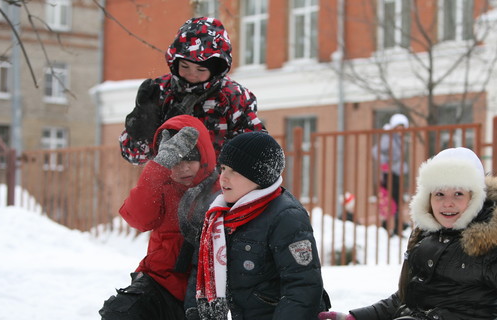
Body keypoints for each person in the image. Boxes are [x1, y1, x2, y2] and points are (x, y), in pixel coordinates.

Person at [320, 147, 497, 320]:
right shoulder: (427, 239)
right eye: (439, 194)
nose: (447, 203)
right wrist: (356, 317)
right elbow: (406, 299)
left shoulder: (489, 246)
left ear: (476, 197)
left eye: (458, 194)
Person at [185, 131, 327, 320]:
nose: (223, 177)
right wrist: (195, 313)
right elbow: (200, 271)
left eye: (234, 171)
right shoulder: (216, 216)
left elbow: (302, 286)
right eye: (224, 168)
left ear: (259, 177)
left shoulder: (286, 217)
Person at [99, 115, 219, 320]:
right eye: (176, 161)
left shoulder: (220, 190)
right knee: (120, 311)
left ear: (205, 156)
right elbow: (138, 219)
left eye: (191, 158)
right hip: (158, 282)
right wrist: (157, 169)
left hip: (202, 292)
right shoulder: (161, 187)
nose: (184, 167)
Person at [120, 16, 265, 166]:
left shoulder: (234, 97)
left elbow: (254, 155)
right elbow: (133, 156)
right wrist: (141, 130)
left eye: (201, 69)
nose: (192, 74)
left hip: (219, 185)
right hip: (166, 183)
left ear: (217, 69)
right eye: (184, 66)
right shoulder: (161, 91)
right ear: (174, 63)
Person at [372, 113, 409, 236]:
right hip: (389, 173)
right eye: (399, 128)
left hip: (396, 172)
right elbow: (376, 151)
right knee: (390, 200)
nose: (401, 131)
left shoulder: (399, 139)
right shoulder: (388, 138)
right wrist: (385, 164)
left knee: (396, 200)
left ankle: (397, 226)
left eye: (402, 128)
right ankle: (388, 227)